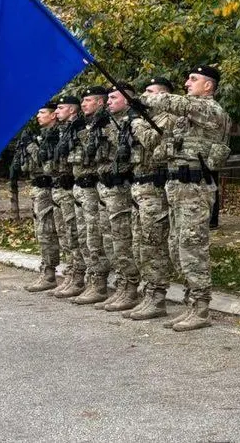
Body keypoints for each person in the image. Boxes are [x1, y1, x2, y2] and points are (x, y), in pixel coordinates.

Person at [144, 65, 232, 332]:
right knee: (176, 247)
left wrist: (147, 98)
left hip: (195, 189)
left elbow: (172, 101)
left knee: (192, 247)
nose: (186, 82)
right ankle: (190, 305)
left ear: (208, 86)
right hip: (177, 187)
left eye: (193, 79)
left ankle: (201, 308)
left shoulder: (210, 109)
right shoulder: (185, 117)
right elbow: (163, 151)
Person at [122, 76, 175, 321]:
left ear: (162, 96)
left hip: (155, 190)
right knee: (140, 244)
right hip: (138, 189)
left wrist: (136, 122)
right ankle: (148, 292)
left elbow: (153, 141)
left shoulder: (166, 118)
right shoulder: (144, 119)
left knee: (153, 244)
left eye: (151, 92)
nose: (145, 95)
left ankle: (157, 296)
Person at [95, 83, 141, 312]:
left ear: (127, 99)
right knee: (111, 239)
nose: (108, 101)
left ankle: (131, 288)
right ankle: (122, 285)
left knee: (123, 240)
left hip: (123, 188)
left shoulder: (134, 122)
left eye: (113, 97)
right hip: (108, 188)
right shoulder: (107, 123)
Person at [68, 85, 114, 306]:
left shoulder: (104, 123)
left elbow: (94, 153)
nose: (83, 104)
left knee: (96, 236)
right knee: (84, 235)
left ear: (99, 103)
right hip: (81, 186)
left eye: (88, 101)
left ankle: (100, 283)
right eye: (83, 101)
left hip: (97, 187)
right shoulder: (84, 124)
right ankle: (91, 280)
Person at [48, 95, 87, 298]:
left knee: (75, 233)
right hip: (64, 187)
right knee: (66, 234)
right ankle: (73, 273)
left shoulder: (81, 129)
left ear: (72, 110)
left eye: (61, 108)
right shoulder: (62, 131)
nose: (56, 112)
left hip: (77, 187)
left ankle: (80, 277)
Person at [21, 104, 62, 292]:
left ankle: (53, 273)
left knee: (56, 232)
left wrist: (31, 147)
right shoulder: (42, 135)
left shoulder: (58, 134)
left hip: (52, 187)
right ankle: (47, 271)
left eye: (42, 112)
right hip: (40, 188)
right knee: (43, 232)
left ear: (53, 115)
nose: (38, 116)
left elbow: (46, 161)